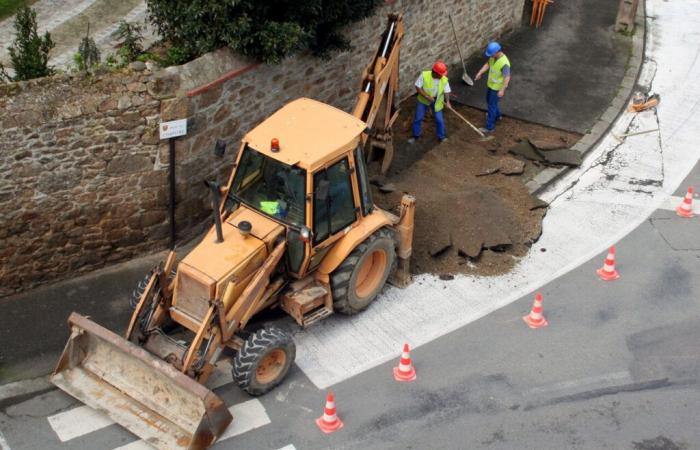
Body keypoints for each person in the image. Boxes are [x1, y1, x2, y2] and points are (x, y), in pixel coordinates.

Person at [408, 60, 452, 143]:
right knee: (418, 118)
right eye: (441, 74)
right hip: (423, 100)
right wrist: (426, 96)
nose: (443, 76)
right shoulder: (424, 75)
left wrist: (448, 102)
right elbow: (418, 87)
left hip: (437, 101)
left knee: (439, 120)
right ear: (435, 73)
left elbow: (446, 91)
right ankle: (415, 136)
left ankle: (441, 137)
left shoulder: (444, 79)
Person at [474, 41, 511, 133]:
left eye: (491, 54)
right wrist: (480, 73)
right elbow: (487, 64)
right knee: (490, 102)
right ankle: (498, 116)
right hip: (491, 85)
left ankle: (489, 127)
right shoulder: (493, 57)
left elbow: (507, 77)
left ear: (496, 52)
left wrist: (502, 90)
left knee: (491, 106)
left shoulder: (504, 63)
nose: (490, 56)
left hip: (497, 88)